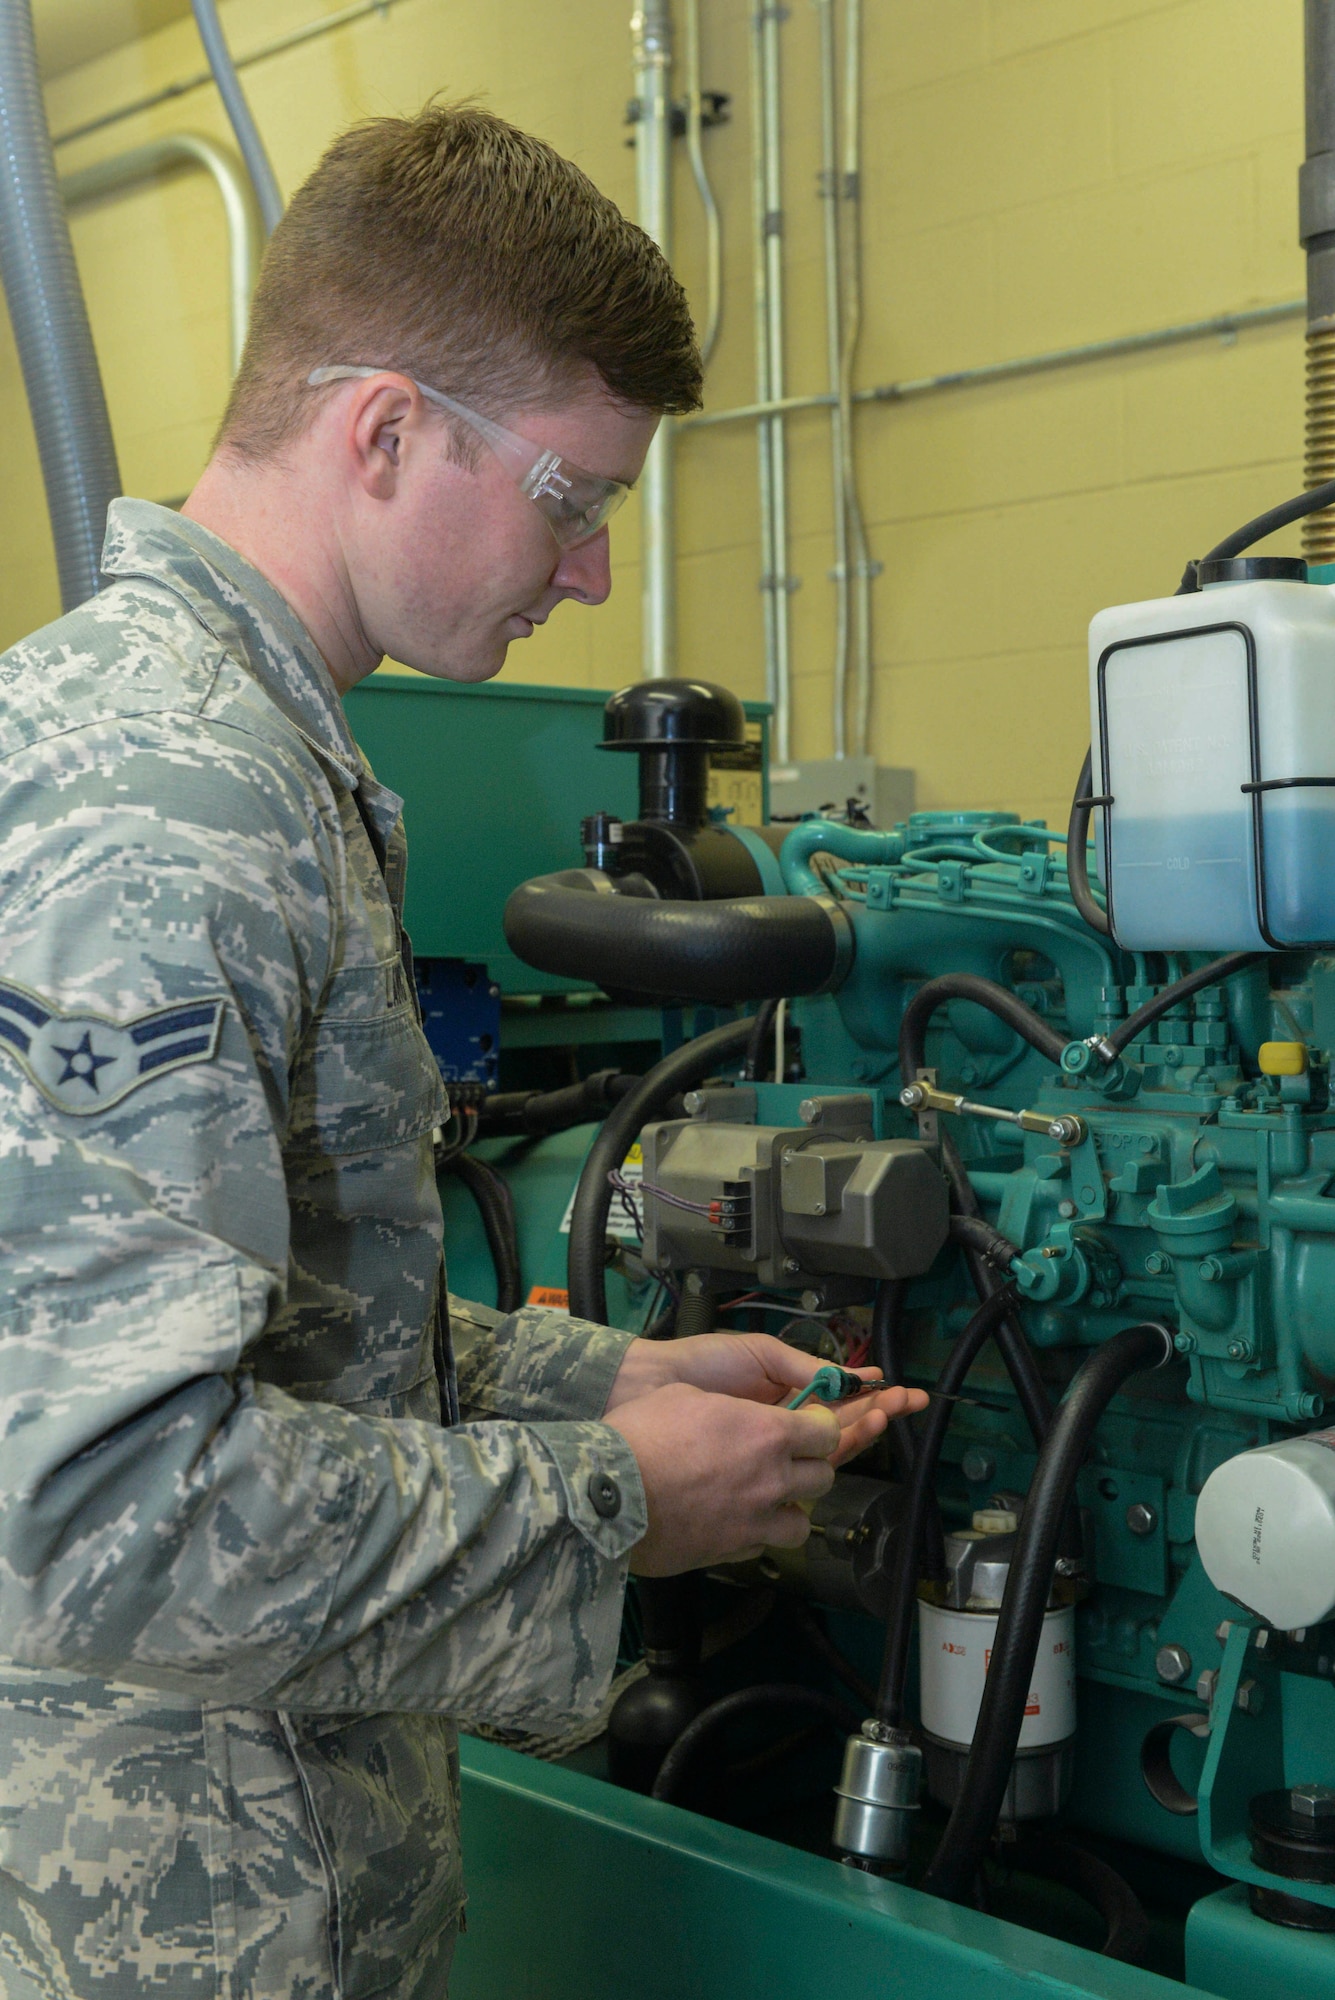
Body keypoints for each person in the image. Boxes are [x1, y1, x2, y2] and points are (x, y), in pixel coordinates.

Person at [0, 105, 925, 1999]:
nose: (587, 577)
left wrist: (602, 1382)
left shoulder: (229, 748)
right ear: (384, 430)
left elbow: (281, 1318)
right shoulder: (174, 810)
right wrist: (617, 1505)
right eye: (571, 500)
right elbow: (109, 1513)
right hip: (179, 1925)